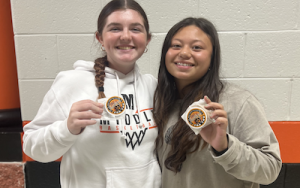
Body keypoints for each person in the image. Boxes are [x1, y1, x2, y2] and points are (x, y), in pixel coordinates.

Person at [23, 0, 161, 187]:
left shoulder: (153, 87)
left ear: (148, 39)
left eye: (135, 29)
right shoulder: (72, 82)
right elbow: (32, 147)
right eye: (115, 29)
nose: (126, 36)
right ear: (100, 38)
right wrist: (67, 129)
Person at [153, 17, 282, 188]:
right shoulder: (160, 103)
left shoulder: (238, 102)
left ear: (212, 58)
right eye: (176, 45)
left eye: (196, 47)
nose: (184, 53)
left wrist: (225, 147)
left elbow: (270, 170)